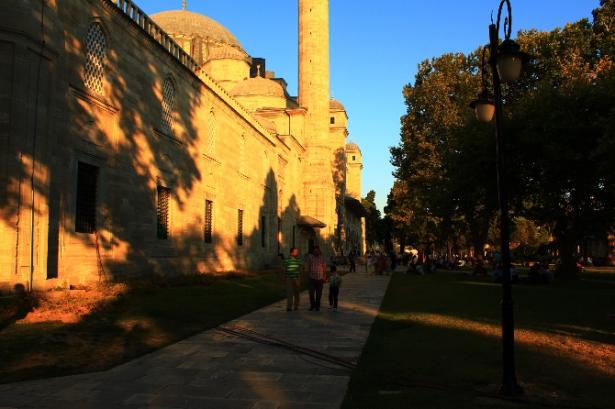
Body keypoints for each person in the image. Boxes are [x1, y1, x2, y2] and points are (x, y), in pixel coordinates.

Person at [282, 247, 303, 311]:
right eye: (296, 252)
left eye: (297, 252)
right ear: (291, 252)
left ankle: (296, 306)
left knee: (297, 293)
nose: (297, 253)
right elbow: (284, 269)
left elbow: (301, 269)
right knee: (289, 292)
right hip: (289, 278)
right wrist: (284, 277)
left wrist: (301, 277)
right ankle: (289, 307)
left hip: (297, 278)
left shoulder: (299, 260)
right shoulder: (286, 260)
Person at [307, 245, 327, 311]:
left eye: (317, 251)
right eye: (314, 251)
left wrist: (324, 276)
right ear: (313, 251)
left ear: (319, 251)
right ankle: (312, 305)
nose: (316, 252)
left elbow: (324, 267)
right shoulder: (310, 257)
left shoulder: (322, 258)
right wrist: (309, 274)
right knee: (311, 292)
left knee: (319, 293)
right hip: (312, 278)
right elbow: (309, 266)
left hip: (320, 278)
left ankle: (317, 305)